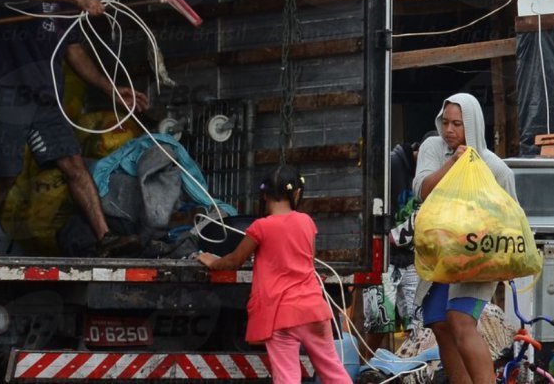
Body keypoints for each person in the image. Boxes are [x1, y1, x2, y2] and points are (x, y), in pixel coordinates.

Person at [0, 0, 147, 257]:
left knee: (73, 163)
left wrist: (111, 89)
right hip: (6, 93)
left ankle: (105, 238)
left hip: (44, 98)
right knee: (5, 175)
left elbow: (74, 53)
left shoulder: (68, 4)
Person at [198, 166, 351, 384]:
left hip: (281, 314)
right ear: (296, 193)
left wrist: (212, 261)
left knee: (287, 378)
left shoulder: (260, 227)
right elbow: (307, 258)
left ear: (264, 195)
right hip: (314, 310)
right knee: (333, 371)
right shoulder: (307, 222)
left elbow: (234, 261)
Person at [413, 93, 516, 384]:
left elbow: (512, 220)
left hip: (477, 257)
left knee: (460, 320)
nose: (449, 130)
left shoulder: (495, 168)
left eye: (457, 124)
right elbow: (422, 189)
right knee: (439, 321)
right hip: (442, 253)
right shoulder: (433, 148)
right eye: (445, 122)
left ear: (472, 125)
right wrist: (452, 166)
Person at [361, 131, 437, 351]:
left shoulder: (435, 174)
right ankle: (367, 370)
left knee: (420, 325)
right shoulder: (393, 164)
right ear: (419, 151)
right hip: (384, 256)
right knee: (379, 323)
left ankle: (410, 370)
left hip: (413, 258)